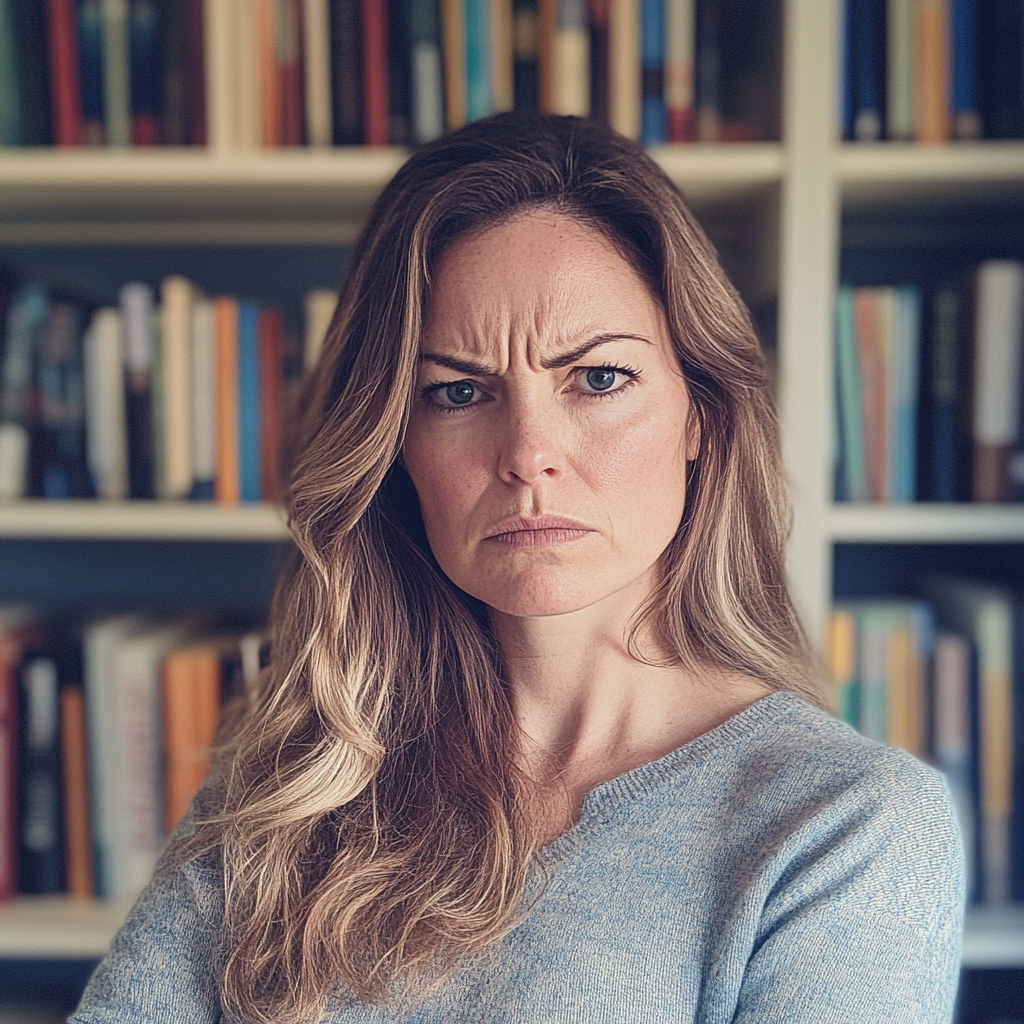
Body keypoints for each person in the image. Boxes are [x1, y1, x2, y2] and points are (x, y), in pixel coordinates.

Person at [71, 113, 963, 1024]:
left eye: (599, 379)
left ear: (701, 415)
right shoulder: (297, 781)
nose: (529, 453)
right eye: (459, 392)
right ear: (394, 448)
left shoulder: (844, 829)